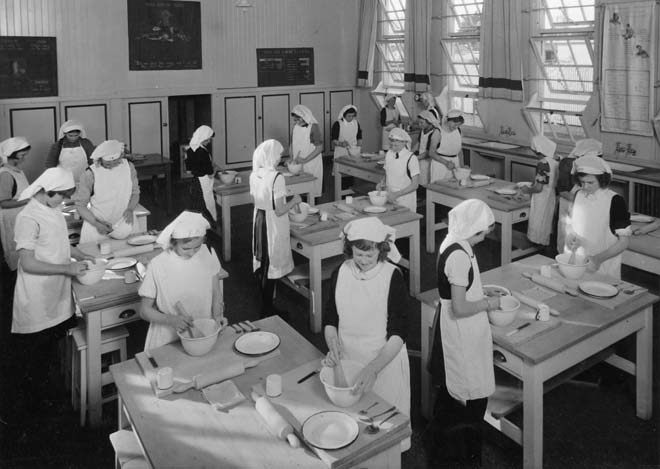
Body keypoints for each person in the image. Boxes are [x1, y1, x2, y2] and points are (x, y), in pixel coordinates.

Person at [323, 217, 410, 451]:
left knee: (383, 432)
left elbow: (399, 332)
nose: (362, 261)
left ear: (381, 251)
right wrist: (333, 345)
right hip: (349, 358)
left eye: (369, 256)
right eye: (357, 255)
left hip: (384, 361)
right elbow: (330, 318)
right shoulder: (339, 272)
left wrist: (373, 368)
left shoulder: (392, 276)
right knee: (353, 434)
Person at [10, 167, 93, 415]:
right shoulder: (28, 217)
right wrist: (68, 269)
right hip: (37, 293)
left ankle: (49, 391)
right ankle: (34, 406)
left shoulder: (52, 209)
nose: (64, 201)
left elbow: (60, 242)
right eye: (61, 195)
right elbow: (28, 263)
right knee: (37, 352)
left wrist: (83, 254)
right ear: (45, 191)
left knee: (51, 346)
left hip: (55, 287)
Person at [426, 199, 498, 466]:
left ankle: (452, 447)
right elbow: (459, 306)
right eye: (481, 234)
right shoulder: (458, 254)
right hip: (460, 329)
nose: (482, 239)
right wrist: (489, 303)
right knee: (464, 391)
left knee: (454, 393)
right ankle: (462, 455)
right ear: (472, 229)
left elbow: (460, 287)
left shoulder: (454, 240)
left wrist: (481, 290)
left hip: (460, 325)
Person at [139, 211, 226, 350]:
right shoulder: (158, 265)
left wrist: (218, 317)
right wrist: (171, 320)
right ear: (173, 243)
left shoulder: (205, 254)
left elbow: (216, 293)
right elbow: (144, 310)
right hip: (168, 339)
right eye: (186, 248)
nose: (192, 253)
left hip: (202, 334)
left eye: (197, 247)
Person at [250, 139, 301, 318]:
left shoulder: (255, 174)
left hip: (259, 219)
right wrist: (295, 200)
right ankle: (267, 309)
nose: (280, 158)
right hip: (272, 223)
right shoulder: (276, 177)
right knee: (271, 264)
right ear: (271, 156)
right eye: (279, 154)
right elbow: (279, 210)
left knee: (262, 263)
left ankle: (266, 304)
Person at [566, 155, 631, 279]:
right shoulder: (578, 194)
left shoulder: (615, 201)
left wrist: (597, 260)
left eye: (590, 182)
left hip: (603, 263)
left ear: (602, 180)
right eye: (582, 182)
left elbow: (623, 242)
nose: (585, 187)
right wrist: (570, 234)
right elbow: (572, 223)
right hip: (578, 259)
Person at [74, 140, 140, 244]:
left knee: (128, 255)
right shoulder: (90, 174)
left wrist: (130, 209)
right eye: (108, 163)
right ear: (99, 160)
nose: (113, 165)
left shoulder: (129, 167)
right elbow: (80, 205)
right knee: (97, 257)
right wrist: (96, 223)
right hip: (97, 224)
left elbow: (135, 193)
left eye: (116, 161)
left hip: (124, 220)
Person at [556, 138, 602, 253]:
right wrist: (583, 202)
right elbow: (562, 191)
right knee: (567, 236)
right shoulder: (567, 164)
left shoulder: (596, 165)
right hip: (570, 204)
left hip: (586, 205)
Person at [0, 137, 31, 272]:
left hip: (20, 218)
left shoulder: (16, 170)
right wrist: (28, 200)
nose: (24, 158)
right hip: (11, 220)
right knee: (15, 253)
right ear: (12, 154)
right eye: (22, 155)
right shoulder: (6, 175)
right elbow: (4, 202)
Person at [521, 135, 558, 246]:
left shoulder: (542, 163)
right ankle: (542, 248)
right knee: (546, 224)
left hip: (541, 198)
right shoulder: (555, 161)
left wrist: (526, 190)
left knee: (538, 224)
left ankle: (535, 248)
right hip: (551, 196)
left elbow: (538, 188)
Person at [185, 125, 221, 227]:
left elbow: (188, 170)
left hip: (195, 181)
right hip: (204, 181)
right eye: (207, 140)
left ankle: (198, 225)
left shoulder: (189, 149)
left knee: (197, 204)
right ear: (202, 138)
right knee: (208, 203)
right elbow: (210, 174)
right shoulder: (203, 152)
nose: (209, 142)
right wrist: (216, 169)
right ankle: (212, 225)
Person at [381, 128, 420, 213]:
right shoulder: (389, 154)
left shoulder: (411, 158)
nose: (393, 143)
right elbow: (387, 173)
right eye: (391, 140)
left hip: (405, 199)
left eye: (397, 141)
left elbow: (415, 185)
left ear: (404, 142)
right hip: (390, 196)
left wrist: (396, 194)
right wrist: (382, 183)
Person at [290, 105, 323, 201]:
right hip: (299, 163)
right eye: (295, 120)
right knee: (299, 190)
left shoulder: (314, 127)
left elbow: (319, 148)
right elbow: (291, 144)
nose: (297, 122)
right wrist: (291, 157)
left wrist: (305, 160)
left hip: (311, 162)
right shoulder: (295, 127)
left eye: (298, 119)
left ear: (305, 116)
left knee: (311, 191)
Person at [430, 109, 464, 183]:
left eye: (458, 125)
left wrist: (462, 166)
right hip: (440, 165)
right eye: (455, 124)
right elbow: (431, 153)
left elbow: (459, 151)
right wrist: (446, 163)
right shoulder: (438, 132)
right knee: (438, 188)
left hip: (455, 164)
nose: (456, 127)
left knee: (453, 188)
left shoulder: (458, 131)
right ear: (448, 120)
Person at [412, 110, 441, 186]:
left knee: (426, 182)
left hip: (429, 161)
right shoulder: (423, 130)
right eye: (419, 122)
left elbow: (429, 152)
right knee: (419, 181)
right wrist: (410, 153)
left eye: (421, 123)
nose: (419, 125)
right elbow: (418, 143)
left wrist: (415, 158)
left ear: (429, 122)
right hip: (421, 159)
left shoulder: (434, 133)